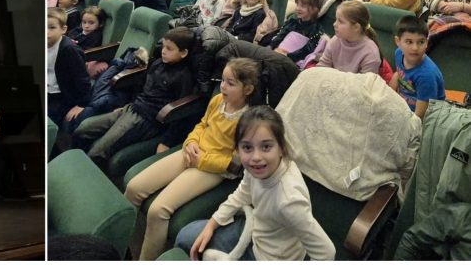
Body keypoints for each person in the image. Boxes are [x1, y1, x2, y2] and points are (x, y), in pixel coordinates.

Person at [124, 58, 259, 260]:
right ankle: (123, 245)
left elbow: (234, 166)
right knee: (134, 188)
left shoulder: (248, 121)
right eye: (222, 80)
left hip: (211, 169)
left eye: (231, 83)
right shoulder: (217, 101)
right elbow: (202, 125)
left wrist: (201, 159)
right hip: (192, 152)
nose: (222, 86)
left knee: (158, 210)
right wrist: (191, 143)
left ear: (247, 89)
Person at [175, 105, 334, 261]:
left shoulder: (289, 201)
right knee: (185, 237)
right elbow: (242, 194)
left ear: (281, 148)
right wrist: (212, 224)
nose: (256, 157)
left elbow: (326, 252)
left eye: (266, 146)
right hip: (257, 231)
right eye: (247, 147)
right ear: (237, 149)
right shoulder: (256, 169)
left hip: (269, 257)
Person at [73, 28, 196, 168]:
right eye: (163, 46)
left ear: (183, 53)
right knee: (83, 129)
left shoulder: (184, 76)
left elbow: (181, 113)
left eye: (169, 49)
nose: (163, 51)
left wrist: (167, 141)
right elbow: (141, 87)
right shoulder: (157, 63)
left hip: (146, 120)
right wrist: (127, 105)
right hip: (132, 108)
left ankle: (84, 175)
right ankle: (73, 164)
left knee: (97, 152)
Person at [391, 16, 445, 119]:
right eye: (409, 42)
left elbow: (419, 116)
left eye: (421, 42)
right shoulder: (398, 53)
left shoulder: (427, 75)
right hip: (404, 105)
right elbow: (398, 74)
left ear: (427, 42)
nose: (415, 48)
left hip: (426, 115)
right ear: (398, 42)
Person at [47, 8, 91, 128]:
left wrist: (82, 104)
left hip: (61, 95)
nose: (46, 32)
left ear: (63, 29)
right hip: (47, 90)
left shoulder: (69, 50)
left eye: (52, 27)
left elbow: (82, 79)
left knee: (48, 122)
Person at [317, 0, 381, 74]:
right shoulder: (335, 41)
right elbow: (321, 68)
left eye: (340, 21)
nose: (334, 24)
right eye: (336, 19)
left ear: (356, 27)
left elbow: (365, 83)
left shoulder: (370, 53)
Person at [269, 0, 323, 66]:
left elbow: (308, 50)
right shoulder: (292, 21)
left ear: (314, 9)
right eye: (297, 5)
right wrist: (271, 46)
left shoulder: (316, 29)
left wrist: (288, 56)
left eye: (303, 6)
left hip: (293, 61)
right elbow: (281, 35)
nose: (298, 8)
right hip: (278, 52)